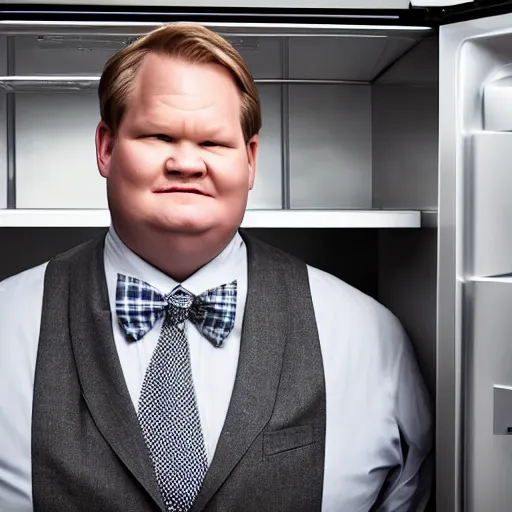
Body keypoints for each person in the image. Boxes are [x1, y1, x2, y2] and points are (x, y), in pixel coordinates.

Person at [0, 22, 432, 512]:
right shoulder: (5, 324)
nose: (187, 163)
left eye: (213, 143)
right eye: (159, 135)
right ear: (106, 147)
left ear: (250, 161)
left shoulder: (367, 336)